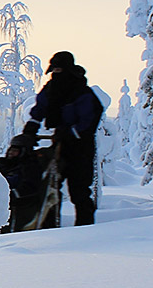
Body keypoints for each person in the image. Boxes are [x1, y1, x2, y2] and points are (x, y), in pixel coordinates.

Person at [26, 50, 104, 226]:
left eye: (59, 70)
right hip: (59, 143)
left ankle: (85, 227)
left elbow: (90, 118)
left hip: (80, 146)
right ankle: (50, 225)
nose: (55, 74)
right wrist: (31, 125)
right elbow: (41, 106)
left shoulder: (81, 91)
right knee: (51, 186)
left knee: (79, 190)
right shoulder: (52, 88)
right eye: (54, 70)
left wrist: (73, 133)